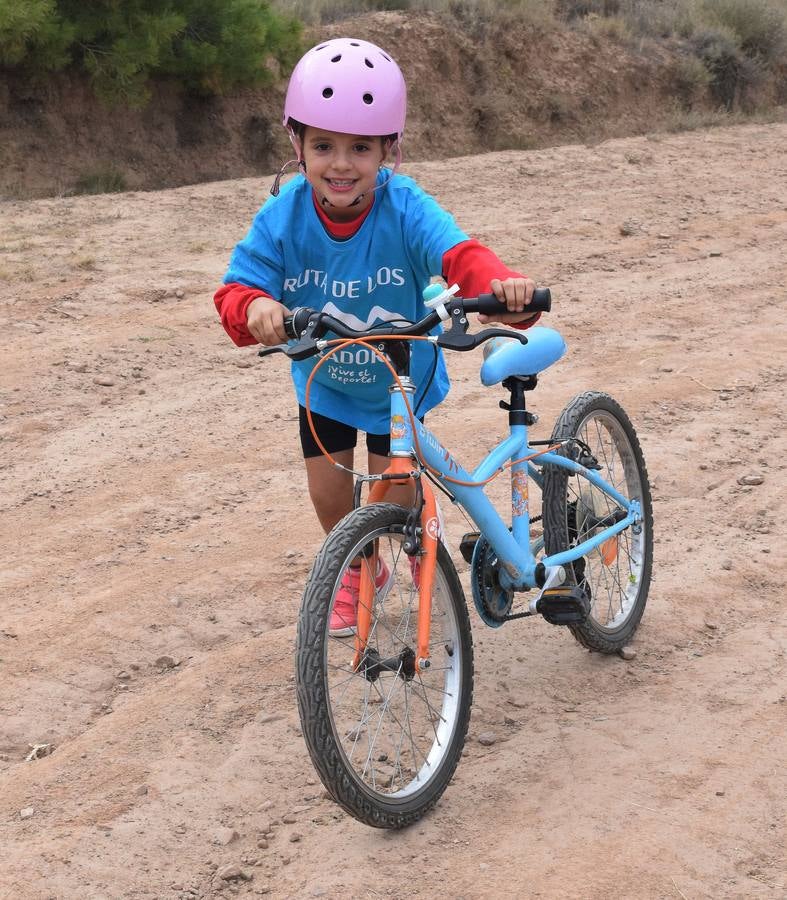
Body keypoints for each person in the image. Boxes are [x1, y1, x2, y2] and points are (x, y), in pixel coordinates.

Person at [214, 37, 539, 635]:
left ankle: (396, 535)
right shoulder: (282, 216)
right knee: (330, 498)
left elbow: (458, 253)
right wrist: (256, 306)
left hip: (401, 373)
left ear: (389, 149)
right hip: (326, 378)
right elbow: (237, 288)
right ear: (298, 145)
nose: (341, 164)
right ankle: (366, 566)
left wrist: (501, 285)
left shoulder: (406, 206)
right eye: (324, 146)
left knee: (390, 486)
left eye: (361, 148)